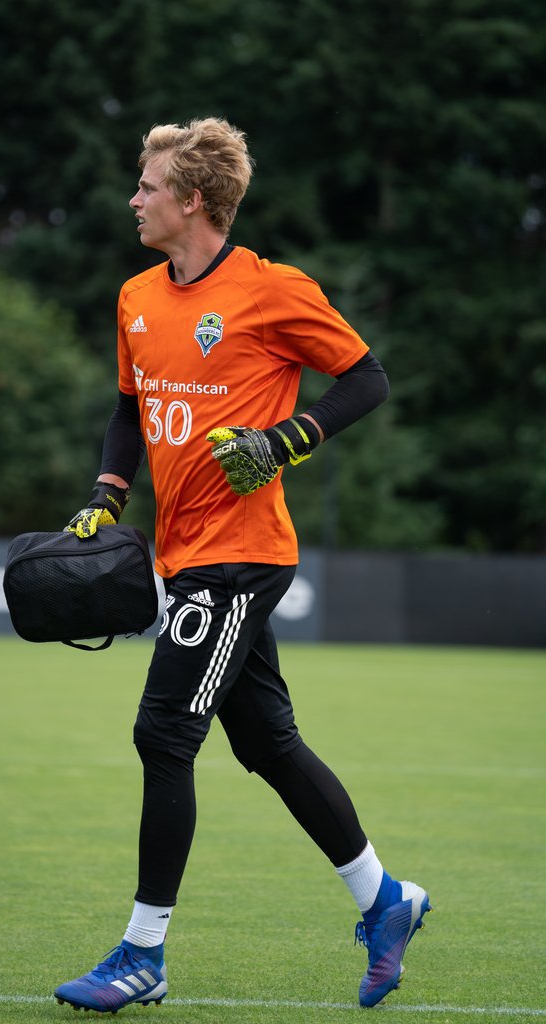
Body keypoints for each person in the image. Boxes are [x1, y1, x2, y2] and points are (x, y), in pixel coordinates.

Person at [54, 117, 431, 1014]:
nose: (133, 198)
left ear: (191, 199)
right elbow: (125, 410)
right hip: (183, 554)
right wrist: (109, 492)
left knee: (163, 733)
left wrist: (285, 439)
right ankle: (385, 900)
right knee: (266, 743)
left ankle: (142, 955)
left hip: (241, 557)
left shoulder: (272, 290)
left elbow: (365, 378)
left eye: (147, 186)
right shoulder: (136, 296)